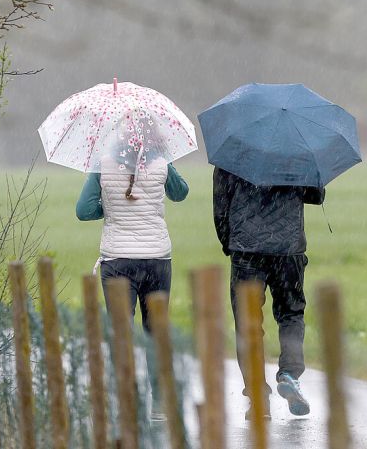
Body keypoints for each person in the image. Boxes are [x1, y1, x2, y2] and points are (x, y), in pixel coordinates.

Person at [76, 152, 188, 419]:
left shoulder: (102, 163)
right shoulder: (161, 160)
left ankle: (126, 398)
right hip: (156, 259)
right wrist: (166, 162)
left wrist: (110, 206)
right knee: (155, 330)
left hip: (118, 261)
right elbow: (180, 192)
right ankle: (160, 403)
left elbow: (84, 210)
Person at [213, 166, 325, 419]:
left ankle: (258, 399)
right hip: (289, 249)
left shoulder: (233, 152)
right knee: (291, 314)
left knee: (247, 323)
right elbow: (315, 196)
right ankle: (289, 374)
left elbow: (220, 205)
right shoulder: (296, 148)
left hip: (246, 249)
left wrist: (229, 243)